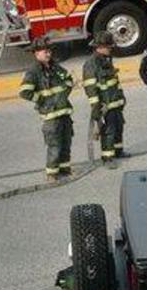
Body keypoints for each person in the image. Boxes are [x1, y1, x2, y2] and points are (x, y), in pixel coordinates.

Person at [19, 37, 74, 181]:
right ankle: (52, 173)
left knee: (66, 143)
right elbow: (24, 92)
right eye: (45, 51)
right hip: (51, 117)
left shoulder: (55, 67)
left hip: (64, 113)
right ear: (36, 54)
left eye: (49, 51)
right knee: (54, 146)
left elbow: (69, 79)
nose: (48, 54)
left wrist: (64, 92)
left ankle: (64, 169)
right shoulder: (33, 72)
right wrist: (43, 100)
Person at [82, 31, 128, 166]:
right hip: (105, 105)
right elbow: (90, 88)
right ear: (100, 47)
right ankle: (107, 157)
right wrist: (96, 106)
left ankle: (118, 151)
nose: (111, 49)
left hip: (115, 102)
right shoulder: (91, 64)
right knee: (108, 131)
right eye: (108, 47)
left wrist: (121, 96)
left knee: (119, 127)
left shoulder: (107, 59)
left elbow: (114, 81)